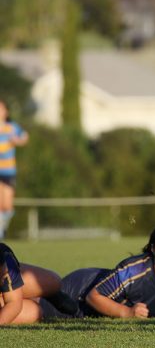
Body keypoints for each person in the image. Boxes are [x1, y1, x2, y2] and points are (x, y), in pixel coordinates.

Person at [40, 222, 155, 319]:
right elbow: (93, 296)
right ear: (153, 249)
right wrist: (127, 312)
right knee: (33, 310)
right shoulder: (134, 271)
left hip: (86, 296)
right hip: (77, 293)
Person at [0, 243, 77, 325]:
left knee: (53, 282)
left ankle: (49, 294)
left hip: (9, 280)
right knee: (34, 313)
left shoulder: (7, 262)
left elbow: (13, 302)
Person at [0, 99, 28, 240]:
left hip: (9, 170)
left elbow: (24, 137)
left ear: (6, 111)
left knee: (7, 206)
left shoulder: (11, 127)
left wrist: (17, 141)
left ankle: (3, 228)